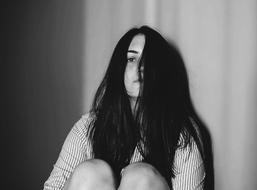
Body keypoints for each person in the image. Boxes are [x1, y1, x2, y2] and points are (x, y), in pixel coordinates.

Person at [44, 26, 208, 190]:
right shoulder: (88, 127)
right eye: (131, 59)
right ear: (119, 69)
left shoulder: (182, 135)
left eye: (149, 60)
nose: (140, 67)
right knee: (91, 172)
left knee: (142, 177)